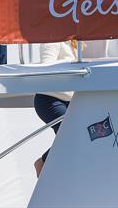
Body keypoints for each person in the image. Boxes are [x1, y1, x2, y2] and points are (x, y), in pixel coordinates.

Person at [33, 41, 76, 177]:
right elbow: (46, 67)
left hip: (71, 101)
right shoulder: (52, 41)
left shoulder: (74, 43)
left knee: (78, 137)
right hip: (49, 99)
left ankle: (56, 171)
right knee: (71, 136)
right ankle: (42, 162)